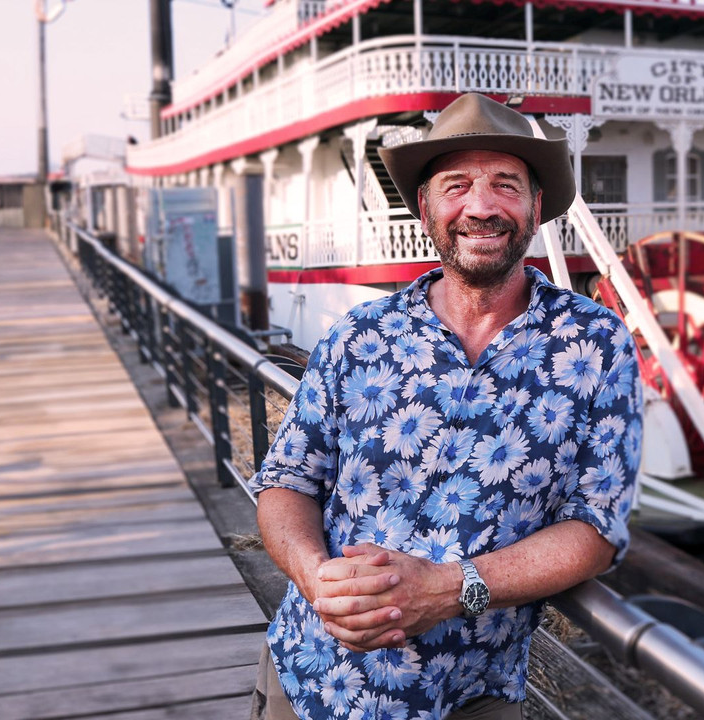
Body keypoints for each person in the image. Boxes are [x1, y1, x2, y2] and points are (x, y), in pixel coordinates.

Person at [249, 93, 642, 720]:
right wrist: (316, 578)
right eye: (456, 186)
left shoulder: (596, 345)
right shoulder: (358, 335)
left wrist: (449, 589)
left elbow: (597, 527)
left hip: (470, 696)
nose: (481, 207)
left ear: (537, 205)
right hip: (314, 680)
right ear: (424, 206)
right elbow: (287, 481)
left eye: (506, 185)